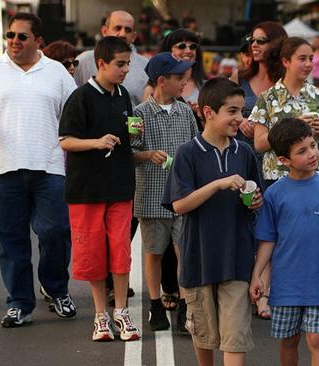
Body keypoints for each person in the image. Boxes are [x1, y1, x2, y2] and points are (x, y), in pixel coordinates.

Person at [0, 12, 77, 327]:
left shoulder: (57, 73)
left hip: (50, 167)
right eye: (10, 35)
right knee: (11, 241)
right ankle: (20, 303)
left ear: (38, 41)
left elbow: (75, 113)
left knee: (56, 232)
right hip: (4, 169)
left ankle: (55, 290)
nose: (13, 41)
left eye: (21, 36)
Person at [162, 77, 263, 366]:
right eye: (232, 111)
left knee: (236, 339)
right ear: (208, 112)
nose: (239, 119)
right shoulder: (187, 153)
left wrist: (256, 201)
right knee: (203, 339)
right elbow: (179, 205)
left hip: (237, 260)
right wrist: (218, 184)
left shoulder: (244, 152)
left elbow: (258, 197)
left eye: (241, 111)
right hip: (199, 260)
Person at [58, 36, 141, 342]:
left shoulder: (123, 96)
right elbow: (65, 140)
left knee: (120, 251)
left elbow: (127, 133)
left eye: (128, 64)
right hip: (86, 189)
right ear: (102, 63)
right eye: (120, 64)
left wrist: (134, 130)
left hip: (119, 185)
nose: (125, 70)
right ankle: (100, 315)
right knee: (93, 254)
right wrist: (96, 141)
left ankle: (121, 311)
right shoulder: (80, 97)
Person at [250, 117, 319, 366]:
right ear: (284, 160)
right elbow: (267, 239)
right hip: (286, 284)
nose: (312, 154)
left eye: (313, 145)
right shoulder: (274, 194)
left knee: (317, 340)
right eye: (302, 151)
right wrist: (257, 275)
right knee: (289, 340)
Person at [132, 52, 198, 332]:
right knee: (153, 252)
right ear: (162, 81)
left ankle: (185, 307)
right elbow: (130, 152)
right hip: (151, 197)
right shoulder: (138, 114)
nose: (185, 82)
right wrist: (147, 155)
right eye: (179, 78)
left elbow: (197, 148)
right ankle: (156, 305)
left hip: (183, 197)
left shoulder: (186, 112)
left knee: (184, 251)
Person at [250, 37, 319, 188]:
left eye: (311, 58)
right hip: (278, 177)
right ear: (286, 62)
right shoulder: (267, 98)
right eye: (302, 59)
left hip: (315, 177)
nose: (308, 64)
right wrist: (292, 127)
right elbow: (259, 144)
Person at [74, 10, 149, 107]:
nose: (122, 34)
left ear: (134, 36)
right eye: (117, 28)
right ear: (104, 31)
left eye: (127, 30)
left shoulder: (146, 65)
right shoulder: (83, 61)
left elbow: (141, 112)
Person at [237, 21, 288, 144]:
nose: (254, 45)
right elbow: (222, 109)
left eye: (261, 41)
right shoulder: (239, 77)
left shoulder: (288, 80)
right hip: (242, 153)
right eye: (252, 40)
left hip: (276, 155)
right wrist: (239, 120)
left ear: (276, 43)